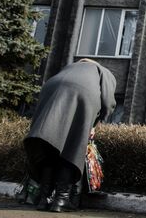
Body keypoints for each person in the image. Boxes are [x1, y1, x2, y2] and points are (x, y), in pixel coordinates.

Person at [23, 58, 116, 212]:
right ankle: (61, 199)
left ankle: (44, 198)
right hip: (82, 95)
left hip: (50, 89)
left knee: (50, 147)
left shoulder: (70, 67)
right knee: (71, 149)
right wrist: (98, 120)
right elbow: (107, 102)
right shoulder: (104, 72)